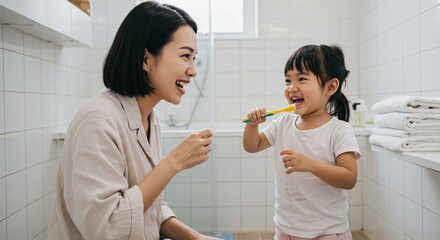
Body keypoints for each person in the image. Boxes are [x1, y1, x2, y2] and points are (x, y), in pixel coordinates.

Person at [49, 2, 221, 239]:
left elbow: (149, 203)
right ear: (145, 58)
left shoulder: (150, 118)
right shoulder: (98, 121)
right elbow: (107, 226)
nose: (193, 70)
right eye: (185, 56)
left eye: (194, 58)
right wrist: (173, 162)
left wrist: (195, 237)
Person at [242, 44, 361, 240]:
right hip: (286, 227)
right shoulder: (283, 124)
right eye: (288, 80)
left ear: (330, 87)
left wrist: (311, 165)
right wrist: (252, 126)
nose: (291, 87)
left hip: (327, 231)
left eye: (302, 79)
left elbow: (349, 178)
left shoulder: (339, 130)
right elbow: (252, 146)